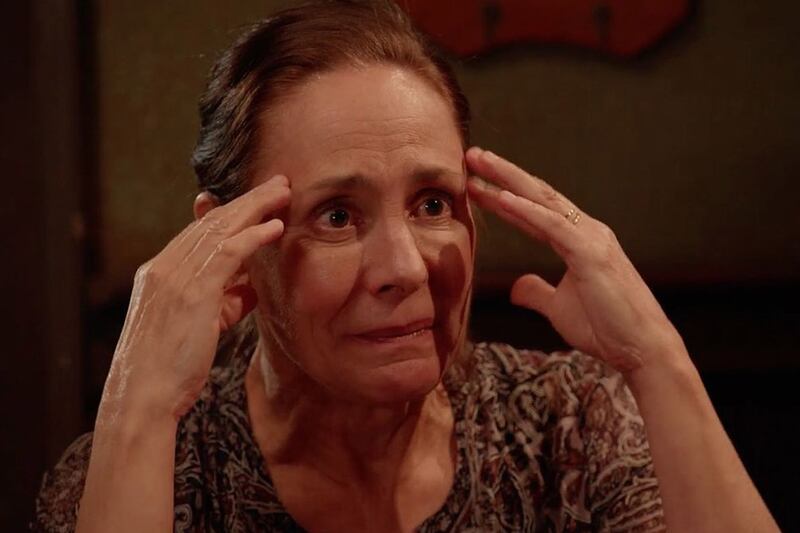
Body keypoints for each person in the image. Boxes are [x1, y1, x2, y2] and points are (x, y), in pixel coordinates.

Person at [33, 1, 779, 531]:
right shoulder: (156, 471)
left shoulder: (569, 427)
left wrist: (657, 359)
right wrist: (138, 406)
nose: (407, 268)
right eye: (337, 215)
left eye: (431, 203)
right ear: (232, 251)